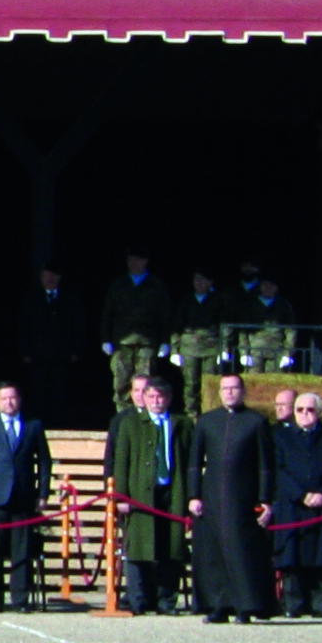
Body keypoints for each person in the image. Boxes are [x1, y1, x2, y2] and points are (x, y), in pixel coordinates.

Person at [187, 362, 277, 623]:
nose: (229, 392)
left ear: (242, 391)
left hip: (244, 498)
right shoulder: (207, 421)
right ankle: (218, 604)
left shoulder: (256, 422)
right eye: (225, 388)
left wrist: (265, 500)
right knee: (213, 553)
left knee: (242, 552)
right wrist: (194, 495)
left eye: (234, 388)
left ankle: (246, 605)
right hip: (212, 496)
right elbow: (195, 462)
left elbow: (266, 465)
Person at [0, 378, 53, 611]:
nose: (9, 402)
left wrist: (43, 494)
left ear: (20, 399)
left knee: (21, 552)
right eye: (4, 398)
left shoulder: (33, 425)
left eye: (12, 397)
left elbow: (44, 462)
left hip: (23, 498)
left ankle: (20, 600)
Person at [108, 370, 191, 613]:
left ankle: (166, 601)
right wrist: (121, 495)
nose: (156, 401)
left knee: (171, 547)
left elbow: (189, 460)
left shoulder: (182, 423)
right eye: (151, 396)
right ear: (143, 398)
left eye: (160, 397)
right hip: (140, 494)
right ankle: (139, 600)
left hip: (171, 492)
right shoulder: (130, 424)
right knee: (139, 548)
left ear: (168, 398)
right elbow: (121, 462)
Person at [271, 387, 322, 616]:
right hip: (293, 506)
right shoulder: (280, 437)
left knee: (320, 556)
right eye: (299, 409)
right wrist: (300, 495)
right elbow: (278, 471)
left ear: (319, 412)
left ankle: (321, 604)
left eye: (310, 410)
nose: (305, 414)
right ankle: (294, 604)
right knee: (293, 556)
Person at [98, 252, 173, 406]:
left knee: (145, 384)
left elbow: (165, 315)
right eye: (130, 259)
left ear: (145, 261)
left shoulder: (156, 285)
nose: (133, 263)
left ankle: (143, 417)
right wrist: (105, 339)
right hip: (122, 342)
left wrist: (166, 341)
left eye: (137, 259)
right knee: (121, 381)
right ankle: (123, 418)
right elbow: (107, 314)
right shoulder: (119, 284)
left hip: (147, 342)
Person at [18, 270, 80, 428]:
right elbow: (24, 327)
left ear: (60, 277)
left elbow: (78, 326)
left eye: (54, 275)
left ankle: (58, 425)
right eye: (46, 276)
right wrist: (25, 351)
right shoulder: (31, 299)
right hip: (38, 356)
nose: (50, 279)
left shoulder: (70, 299)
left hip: (62, 356)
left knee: (59, 392)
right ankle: (38, 424)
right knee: (38, 392)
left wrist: (76, 350)